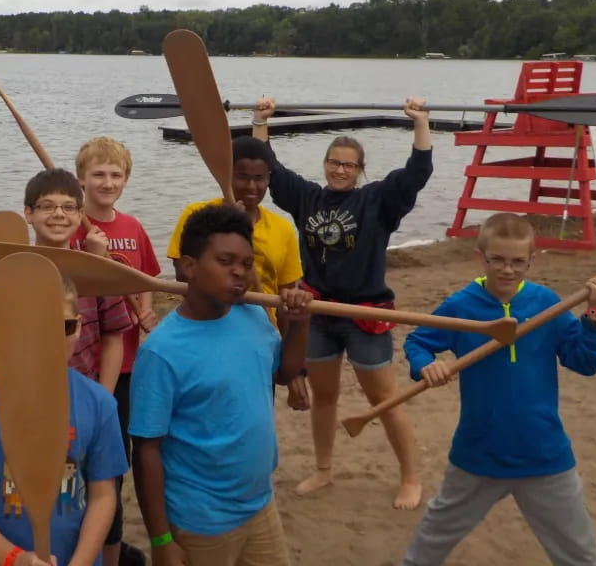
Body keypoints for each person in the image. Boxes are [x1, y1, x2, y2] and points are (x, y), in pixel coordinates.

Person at [401, 212, 596, 565]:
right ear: (480, 257)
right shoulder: (461, 306)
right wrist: (426, 364)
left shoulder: (546, 304)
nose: (507, 270)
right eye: (497, 260)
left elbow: (584, 362)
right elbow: (417, 340)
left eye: (518, 262)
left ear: (532, 260)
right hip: (478, 453)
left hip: (544, 454)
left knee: (581, 556)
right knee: (428, 545)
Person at [252, 96, 432, 508]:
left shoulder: (377, 202)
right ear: (326, 163)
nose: (339, 169)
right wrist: (260, 121)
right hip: (318, 312)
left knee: (383, 399)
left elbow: (417, 172)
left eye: (349, 164)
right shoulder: (308, 198)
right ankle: (323, 469)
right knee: (324, 396)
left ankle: (410, 477)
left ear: (359, 170)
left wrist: (420, 122)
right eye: (334, 161)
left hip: (364, 314)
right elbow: (270, 170)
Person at [129, 205, 311, 566]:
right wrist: (161, 538)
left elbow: (282, 373)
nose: (239, 273)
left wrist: (299, 323)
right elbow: (146, 450)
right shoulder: (162, 352)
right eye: (225, 261)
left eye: (245, 263)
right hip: (201, 520)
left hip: (260, 504)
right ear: (190, 267)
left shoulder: (254, 315)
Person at [0, 275, 128, 566]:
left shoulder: (99, 405)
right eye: (36, 325)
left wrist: (81, 561)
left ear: (78, 326)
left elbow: (103, 497)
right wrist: (14, 558)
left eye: (62, 326)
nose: (49, 337)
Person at [166, 135, 306, 409]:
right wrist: (231, 227)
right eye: (242, 177)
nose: (252, 187)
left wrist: (295, 369)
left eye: (260, 178)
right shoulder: (197, 216)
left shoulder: (282, 229)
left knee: (254, 413)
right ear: (227, 175)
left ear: (269, 179)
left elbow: (287, 297)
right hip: (208, 328)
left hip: (259, 334)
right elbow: (184, 276)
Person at [72, 137, 161, 566]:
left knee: (111, 460)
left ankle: (109, 546)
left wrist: (145, 310)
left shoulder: (132, 228)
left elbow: (143, 279)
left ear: (126, 180)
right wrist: (92, 256)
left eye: (115, 175)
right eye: (98, 174)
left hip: (125, 366)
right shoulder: (73, 227)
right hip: (82, 363)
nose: (107, 183)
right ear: (81, 179)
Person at [0, 167, 131, 388]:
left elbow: (113, 338)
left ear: (80, 214)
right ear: (28, 213)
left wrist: (103, 396)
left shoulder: (96, 270)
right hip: (18, 394)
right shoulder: (2, 274)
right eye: (47, 206)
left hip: (81, 391)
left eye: (69, 207)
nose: (59, 214)